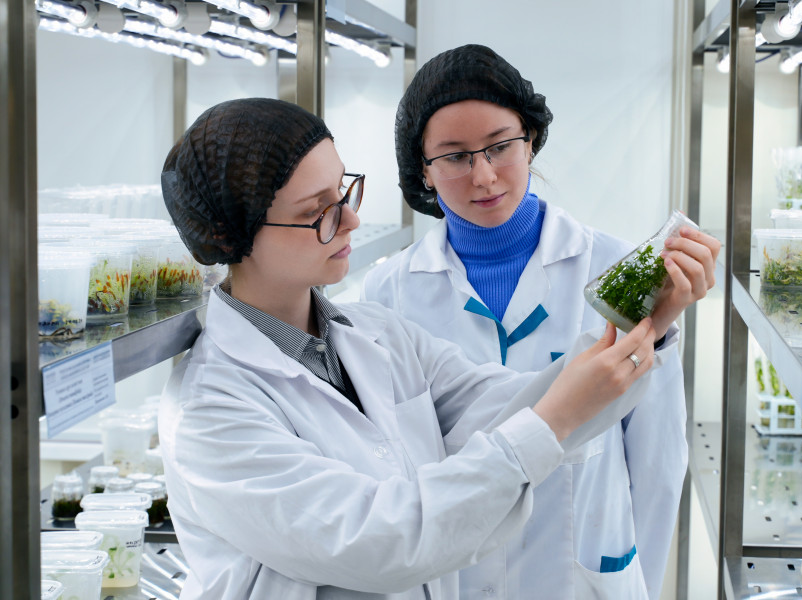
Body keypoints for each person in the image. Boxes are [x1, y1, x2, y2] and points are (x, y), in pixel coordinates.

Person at [156, 97, 668, 600]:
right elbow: (379, 542)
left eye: (344, 193)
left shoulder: (377, 333)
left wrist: (648, 320)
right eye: (318, 212)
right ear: (231, 236)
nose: (351, 221)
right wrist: (552, 421)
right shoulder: (210, 411)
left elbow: (507, 404)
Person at [362, 44, 721, 600]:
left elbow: (658, 457)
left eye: (500, 146)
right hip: (455, 577)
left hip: (583, 576)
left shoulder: (613, 267)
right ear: (424, 172)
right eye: (454, 157)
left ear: (530, 140)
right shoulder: (388, 293)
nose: (484, 176)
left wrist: (637, 584)